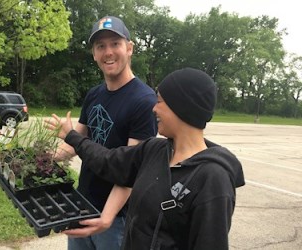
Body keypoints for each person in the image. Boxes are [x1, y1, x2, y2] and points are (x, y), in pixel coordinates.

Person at [46, 67, 245, 250]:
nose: (154, 109)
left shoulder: (213, 178)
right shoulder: (155, 150)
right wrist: (73, 137)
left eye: (159, 101)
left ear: (181, 106)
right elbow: (107, 161)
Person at [51, 16, 157, 249]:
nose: (108, 52)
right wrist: (40, 158)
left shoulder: (144, 100)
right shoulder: (94, 95)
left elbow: (133, 170)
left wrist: (106, 218)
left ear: (129, 48)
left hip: (116, 218)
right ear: (94, 54)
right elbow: (75, 142)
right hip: (82, 204)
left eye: (115, 44)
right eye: (101, 46)